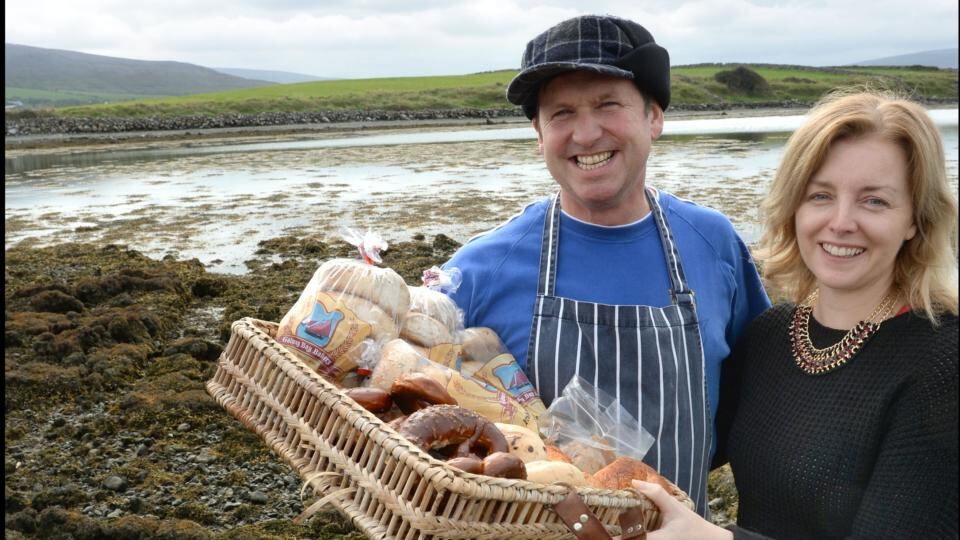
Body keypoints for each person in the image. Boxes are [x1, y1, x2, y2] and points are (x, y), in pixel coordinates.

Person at [442, 14, 770, 513]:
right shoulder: (479, 270)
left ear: (654, 117)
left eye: (607, 104)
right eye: (561, 113)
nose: (586, 133)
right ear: (538, 132)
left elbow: (754, 397)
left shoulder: (714, 243)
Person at [632, 91, 959, 539]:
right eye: (821, 195)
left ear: (915, 221)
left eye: (875, 201)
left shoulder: (944, 360)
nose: (841, 222)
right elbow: (685, 447)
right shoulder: (771, 334)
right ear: (794, 206)